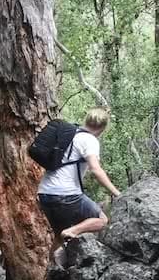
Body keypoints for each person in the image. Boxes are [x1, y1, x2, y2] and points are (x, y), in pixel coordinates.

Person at [37, 107, 121, 261]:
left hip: (45, 193)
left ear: (86, 120)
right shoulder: (90, 140)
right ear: (103, 127)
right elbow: (96, 170)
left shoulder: (70, 135)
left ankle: (50, 275)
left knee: (59, 236)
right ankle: (73, 230)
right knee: (102, 220)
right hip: (66, 194)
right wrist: (117, 193)